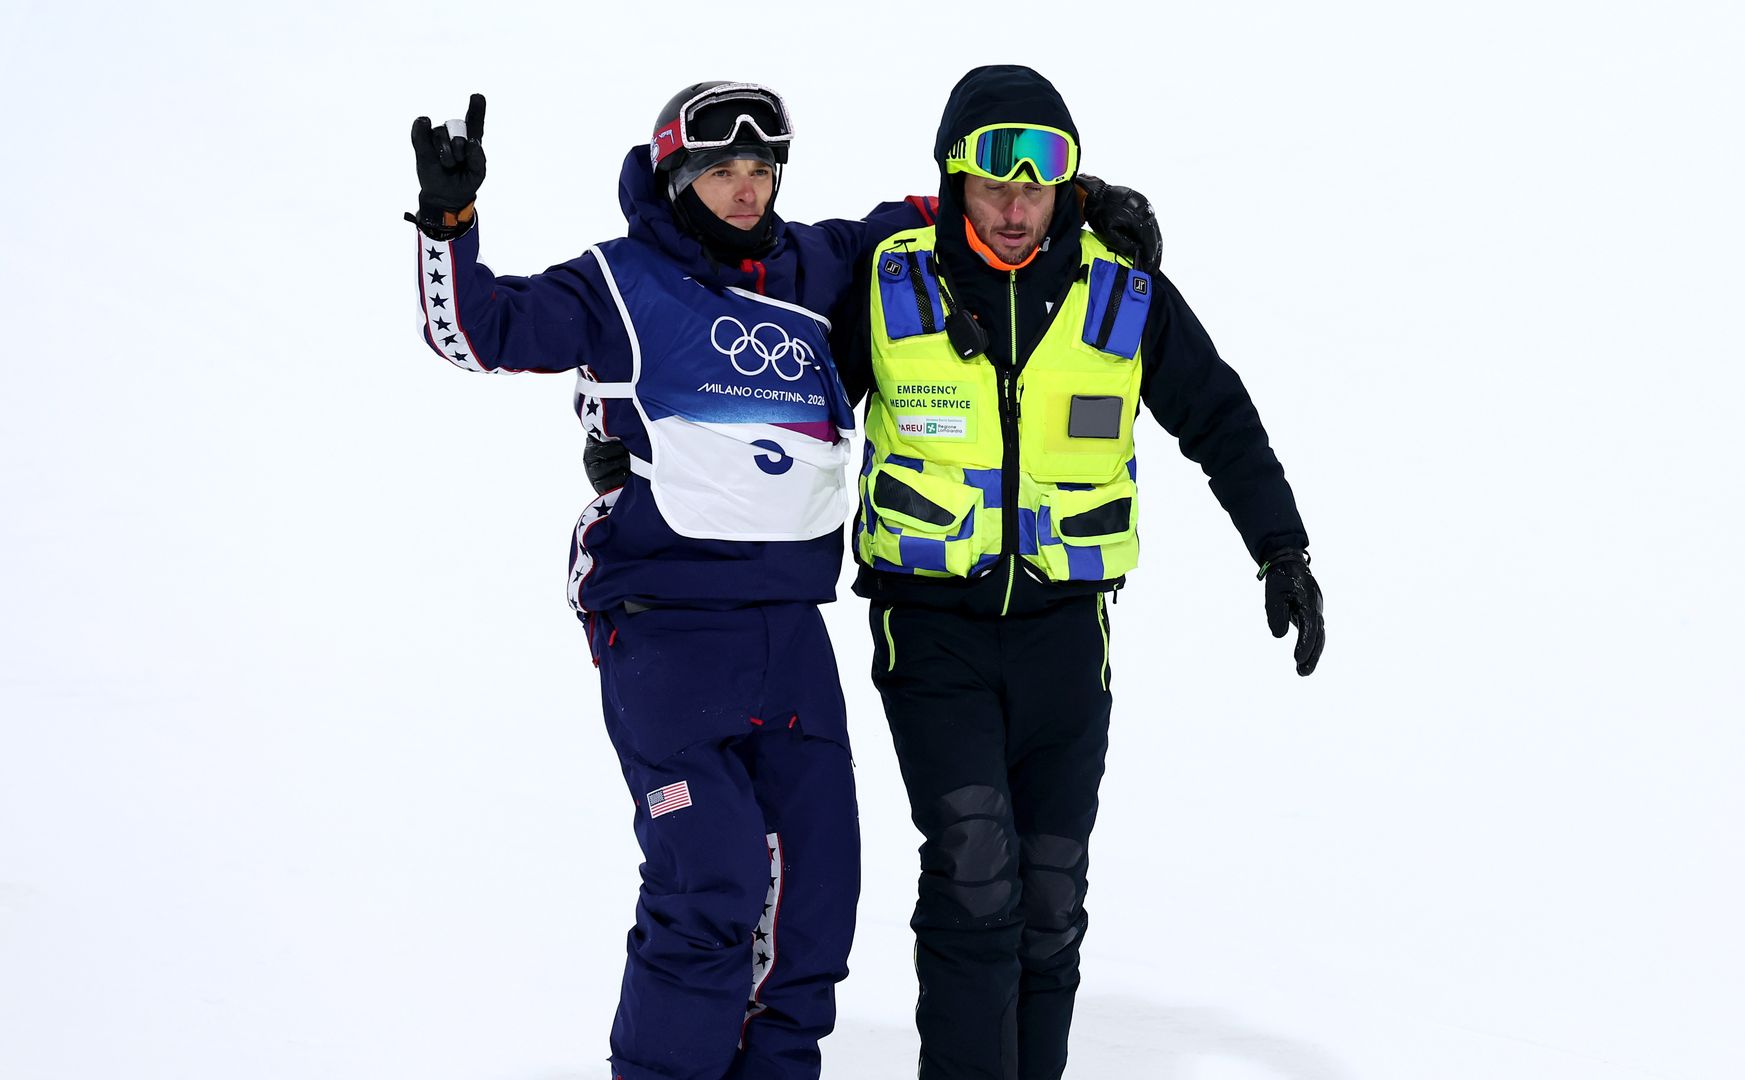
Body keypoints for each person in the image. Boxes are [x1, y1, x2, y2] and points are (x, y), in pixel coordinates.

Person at [406, 84, 1161, 1080]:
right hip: (666, 622)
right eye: (722, 170)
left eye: (761, 171)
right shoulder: (620, 283)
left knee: (814, 905)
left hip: (789, 632)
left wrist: (1085, 200)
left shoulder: (818, 264)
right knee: (710, 886)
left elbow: (946, 213)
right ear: (678, 176)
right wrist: (448, 225)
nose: (745, 190)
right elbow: (481, 328)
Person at [833, 65, 1326, 1080]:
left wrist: (1283, 549)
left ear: (1070, 186)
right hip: (933, 630)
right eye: (992, 184)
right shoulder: (889, 280)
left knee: (1050, 891)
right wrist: (639, 445)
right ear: (953, 180)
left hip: (1067, 635)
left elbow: (1220, 421)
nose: (1016, 209)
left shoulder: (1123, 292)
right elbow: (779, 393)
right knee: (976, 872)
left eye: (1038, 186)